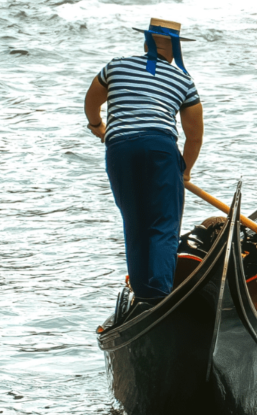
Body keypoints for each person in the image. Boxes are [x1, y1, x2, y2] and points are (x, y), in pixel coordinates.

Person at [84, 18, 204, 308]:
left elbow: (91, 101)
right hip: (160, 149)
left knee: (135, 222)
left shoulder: (115, 66)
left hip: (120, 149)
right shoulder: (183, 81)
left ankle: (142, 296)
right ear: (174, 49)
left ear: (146, 42)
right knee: (163, 224)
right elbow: (194, 137)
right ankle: (160, 298)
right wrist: (183, 172)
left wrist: (98, 127)